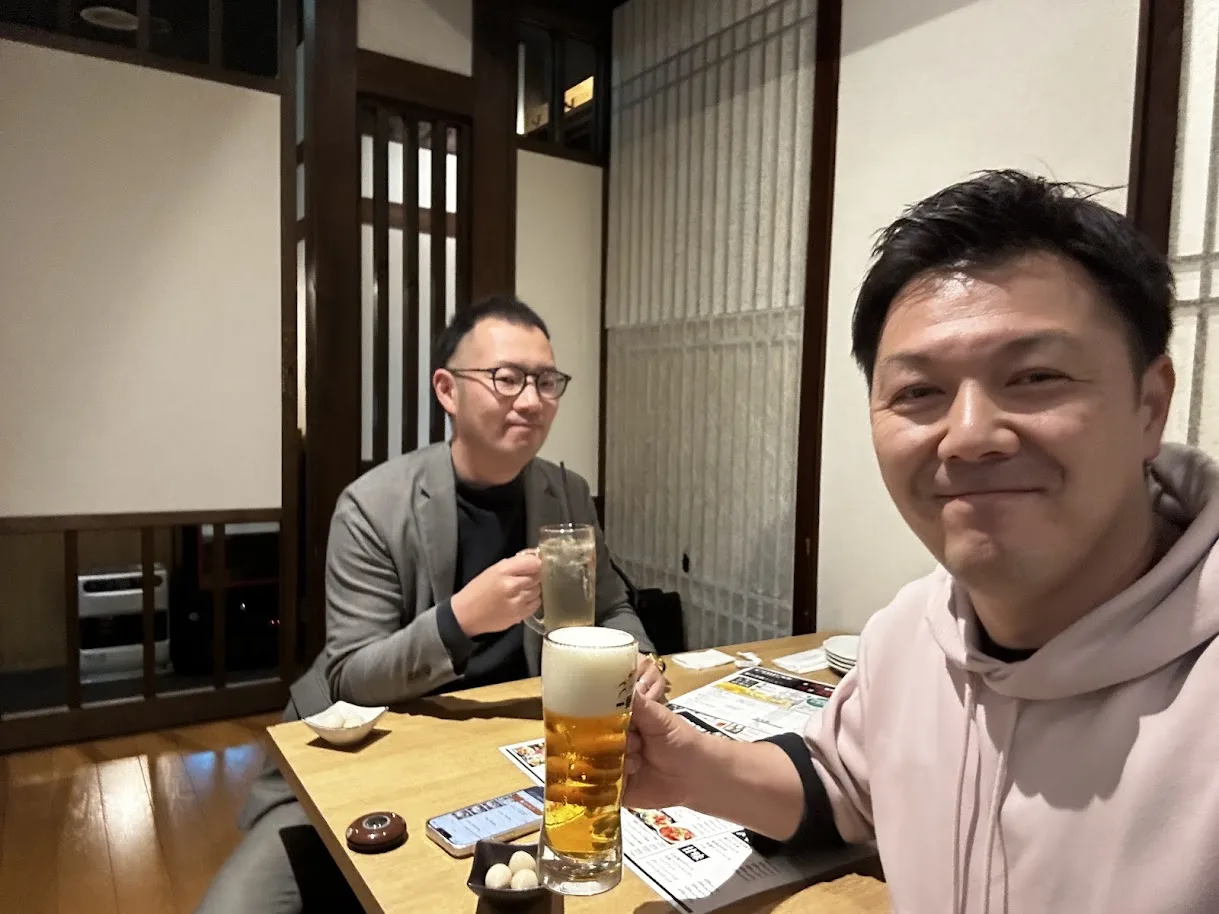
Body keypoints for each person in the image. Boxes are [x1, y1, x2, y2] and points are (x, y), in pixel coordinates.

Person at [624, 171, 1219, 913]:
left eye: (1035, 376)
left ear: (1149, 405)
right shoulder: (910, 631)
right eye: (918, 392)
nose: (968, 436)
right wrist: (688, 770)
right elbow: (845, 786)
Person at [198, 294, 664, 913]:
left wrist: (640, 659)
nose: (531, 400)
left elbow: (613, 609)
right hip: (364, 753)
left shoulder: (567, 493)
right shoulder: (373, 505)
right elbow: (351, 675)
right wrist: (463, 617)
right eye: (507, 378)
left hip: (520, 757)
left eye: (546, 381)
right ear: (447, 390)